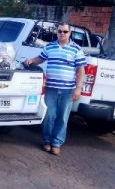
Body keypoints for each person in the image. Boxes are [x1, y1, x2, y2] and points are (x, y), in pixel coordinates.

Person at [24, 23, 86, 155]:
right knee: (48, 116)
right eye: (60, 31)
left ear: (70, 33)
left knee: (62, 118)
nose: (62, 34)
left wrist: (78, 88)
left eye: (65, 31)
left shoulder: (76, 49)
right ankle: (47, 141)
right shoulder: (50, 46)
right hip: (50, 88)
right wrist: (30, 61)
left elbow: (81, 70)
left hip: (68, 90)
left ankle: (56, 143)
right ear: (57, 32)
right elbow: (40, 59)